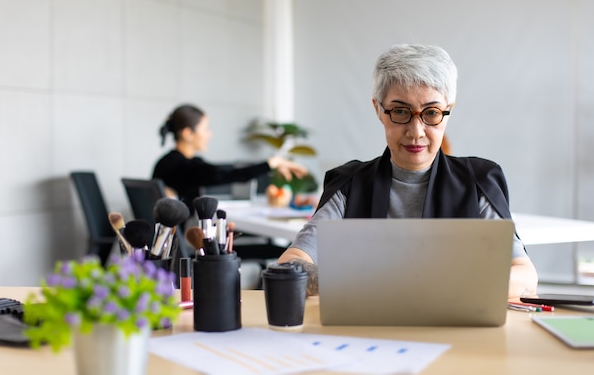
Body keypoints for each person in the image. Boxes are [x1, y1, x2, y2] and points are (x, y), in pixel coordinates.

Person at [277, 43, 538, 299]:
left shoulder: (478, 182)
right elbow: (290, 265)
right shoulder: (350, 185)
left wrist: (433, 287)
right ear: (379, 110)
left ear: (449, 112)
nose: (416, 131)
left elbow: (525, 277)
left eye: (432, 112)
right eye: (400, 111)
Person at [153, 104, 308, 215]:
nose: (209, 134)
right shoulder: (185, 167)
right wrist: (272, 163)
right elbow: (232, 173)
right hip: (185, 245)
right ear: (188, 133)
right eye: (206, 129)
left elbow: (225, 170)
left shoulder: (166, 162)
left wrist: (271, 164)